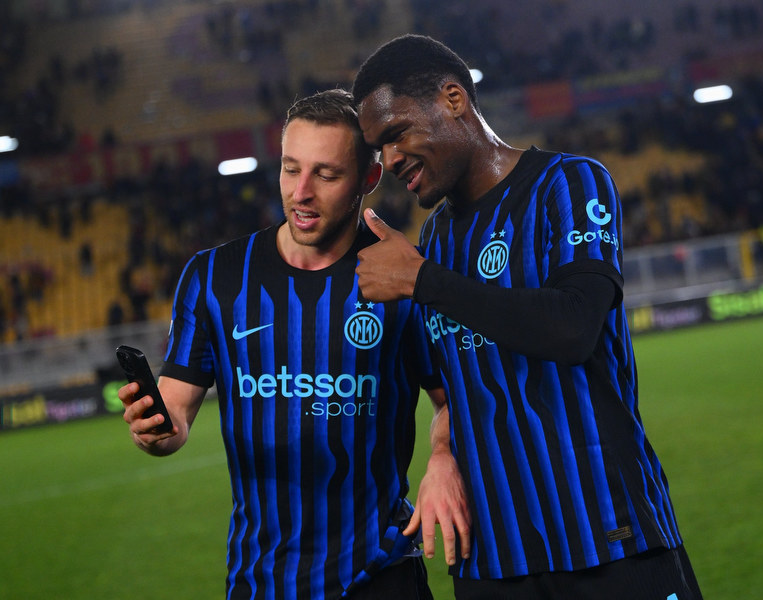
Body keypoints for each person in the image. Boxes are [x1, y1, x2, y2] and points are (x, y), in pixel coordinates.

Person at [351, 34, 703, 600]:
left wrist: (423, 281)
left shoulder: (569, 183)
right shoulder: (434, 240)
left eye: (396, 133)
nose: (390, 160)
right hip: (493, 562)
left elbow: (574, 327)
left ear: (453, 99)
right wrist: (440, 454)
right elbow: (450, 389)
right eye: (378, 149)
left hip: (609, 537)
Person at [119, 89, 470, 600]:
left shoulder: (402, 276)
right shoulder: (214, 277)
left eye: (326, 175)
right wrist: (155, 429)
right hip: (261, 581)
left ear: (368, 179)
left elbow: (453, 398)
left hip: (381, 575)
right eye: (290, 169)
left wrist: (442, 455)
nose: (300, 192)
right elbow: (175, 413)